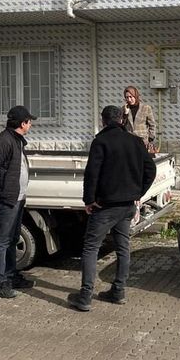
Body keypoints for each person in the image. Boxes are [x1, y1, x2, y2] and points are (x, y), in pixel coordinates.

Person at [68, 105, 156, 311]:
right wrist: (138, 193)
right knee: (123, 247)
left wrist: (89, 200)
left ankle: (85, 296)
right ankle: (118, 291)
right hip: (127, 206)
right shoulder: (135, 141)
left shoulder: (101, 141)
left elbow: (92, 174)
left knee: (91, 247)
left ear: (103, 121)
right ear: (121, 120)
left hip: (105, 206)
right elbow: (150, 169)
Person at [0, 106, 37, 299]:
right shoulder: (2, 142)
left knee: (12, 239)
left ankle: (11, 276)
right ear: (22, 123)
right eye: (29, 121)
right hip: (7, 200)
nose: (30, 125)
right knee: (3, 241)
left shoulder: (16, 140)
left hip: (17, 198)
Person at [121, 86, 157, 152]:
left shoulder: (146, 108)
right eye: (127, 97)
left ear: (135, 96)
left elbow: (152, 124)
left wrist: (150, 139)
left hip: (142, 141)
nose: (129, 99)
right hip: (128, 141)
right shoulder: (124, 108)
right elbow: (121, 125)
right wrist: (125, 114)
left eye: (131, 97)